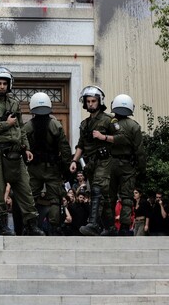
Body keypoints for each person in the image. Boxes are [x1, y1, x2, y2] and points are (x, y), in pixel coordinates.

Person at [0, 67, 44, 236]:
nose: (2, 86)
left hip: (16, 153)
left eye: (4, 83)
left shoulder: (14, 103)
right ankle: (2, 226)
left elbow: (21, 127)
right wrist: (5, 124)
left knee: (24, 188)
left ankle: (32, 224)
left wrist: (27, 147)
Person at [69, 85, 118, 236]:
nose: (90, 104)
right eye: (88, 101)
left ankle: (93, 224)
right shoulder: (84, 124)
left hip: (105, 161)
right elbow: (81, 145)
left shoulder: (109, 120)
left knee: (97, 189)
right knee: (105, 196)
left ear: (99, 101)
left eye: (93, 101)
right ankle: (110, 227)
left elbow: (122, 139)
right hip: (90, 163)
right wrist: (74, 161)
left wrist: (104, 137)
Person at [23, 92, 72, 235]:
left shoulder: (28, 126)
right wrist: (66, 168)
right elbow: (65, 148)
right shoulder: (55, 124)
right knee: (55, 199)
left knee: (30, 197)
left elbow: (22, 146)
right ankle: (54, 227)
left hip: (34, 168)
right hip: (52, 167)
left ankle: (30, 226)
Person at [106, 94, 146, 235]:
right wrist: (141, 168)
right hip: (128, 165)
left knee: (109, 197)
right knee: (127, 198)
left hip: (110, 164)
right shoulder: (134, 126)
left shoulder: (109, 123)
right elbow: (139, 150)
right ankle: (124, 227)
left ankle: (109, 226)